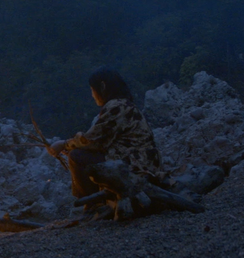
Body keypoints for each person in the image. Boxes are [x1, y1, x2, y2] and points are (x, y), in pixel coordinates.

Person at [48, 67, 169, 208]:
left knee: (76, 156)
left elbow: (92, 140)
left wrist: (64, 144)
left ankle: (92, 204)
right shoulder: (125, 105)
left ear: (102, 87)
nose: (92, 95)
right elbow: (102, 142)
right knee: (82, 155)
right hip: (143, 162)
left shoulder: (116, 106)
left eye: (92, 90)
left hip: (138, 166)